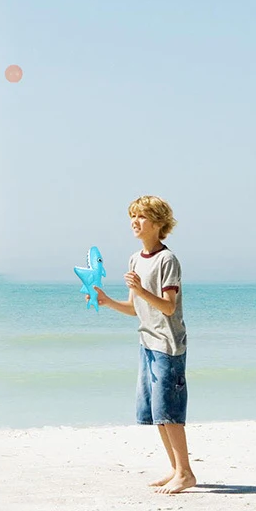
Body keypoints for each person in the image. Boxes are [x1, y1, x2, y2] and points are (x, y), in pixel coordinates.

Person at [90, 195, 196, 495]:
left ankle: (186, 472)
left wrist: (139, 288)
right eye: (132, 217)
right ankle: (176, 469)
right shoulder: (135, 259)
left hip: (168, 345)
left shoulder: (167, 260)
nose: (134, 222)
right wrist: (108, 301)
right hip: (147, 343)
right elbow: (136, 308)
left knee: (170, 413)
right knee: (157, 413)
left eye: (141, 217)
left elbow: (168, 307)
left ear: (159, 223)